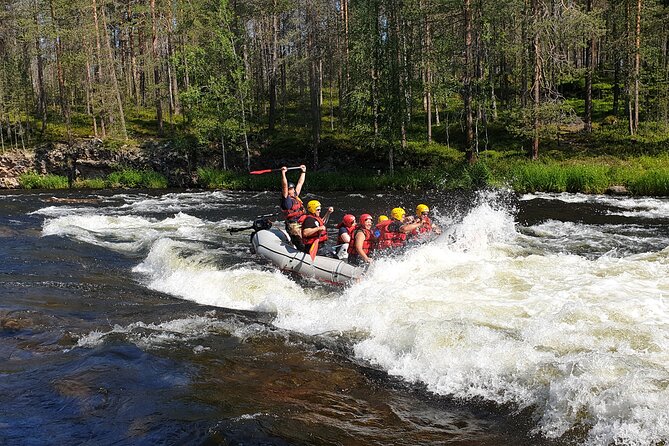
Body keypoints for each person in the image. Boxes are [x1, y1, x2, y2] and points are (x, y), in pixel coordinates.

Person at [280, 165, 307, 249]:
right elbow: (284, 185)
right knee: (301, 243)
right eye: (290, 189)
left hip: (301, 222)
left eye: (293, 188)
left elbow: (300, 183)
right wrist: (283, 173)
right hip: (293, 226)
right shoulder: (286, 199)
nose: (293, 190)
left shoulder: (295, 196)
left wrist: (303, 171)